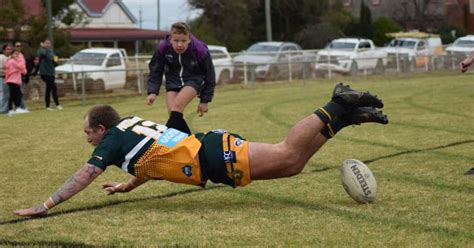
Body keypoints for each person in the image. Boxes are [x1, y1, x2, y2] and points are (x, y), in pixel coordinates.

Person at [14, 83, 388, 217]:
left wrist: (45, 205)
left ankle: (337, 103)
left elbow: (84, 175)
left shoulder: (111, 141)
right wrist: (126, 186)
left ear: (101, 128)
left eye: (88, 133)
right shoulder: (128, 127)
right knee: (293, 165)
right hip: (210, 151)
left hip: (211, 156)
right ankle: (347, 117)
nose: (88, 140)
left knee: (288, 152)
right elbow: (151, 160)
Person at [147, 22, 216, 134]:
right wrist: (153, 91)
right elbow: (156, 69)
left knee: (176, 106)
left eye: (183, 41)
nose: (180, 44)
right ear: (170, 39)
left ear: (189, 38)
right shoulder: (163, 47)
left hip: (193, 80)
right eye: (176, 41)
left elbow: (210, 75)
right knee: (173, 114)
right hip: (173, 81)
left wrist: (205, 100)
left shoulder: (200, 49)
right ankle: (190, 142)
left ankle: (163, 138)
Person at [38, 38, 62, 111]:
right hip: (45, 73)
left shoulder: (52, 51)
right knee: (54, 87)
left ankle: (47, 107)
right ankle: (57, 105)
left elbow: (55, 60)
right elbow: (44, 54)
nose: (47, 44)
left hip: (51, 72)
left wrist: (56, 61)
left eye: (49, 43)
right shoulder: (41, 50)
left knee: (48, 89)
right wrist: (44, 48)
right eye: (46, 43)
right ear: (43, 44)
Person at [4, 50, 28, 115]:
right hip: (12, 80)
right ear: (11, 55)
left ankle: (16, 108)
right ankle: (13, 109)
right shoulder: (12, 61)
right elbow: (21, 67)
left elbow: (24, 71)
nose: (17, 55)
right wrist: (22, 65)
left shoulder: (15, 61)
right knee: (14, 95)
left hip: (15, 81)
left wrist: (23, 68)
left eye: (18, 54)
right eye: (15, 54)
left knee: (17, 94)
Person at [14, 41, 28, 111]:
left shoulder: (21, 55)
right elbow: (16, 65)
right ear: (14, 47)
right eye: (17, 46)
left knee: (20, 92)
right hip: (15, 76)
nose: (18, 47)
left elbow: (23, 65)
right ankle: (19, 107)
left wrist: (25, 71)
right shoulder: (14, 55)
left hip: (21, 76)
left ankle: (22, 107)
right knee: (18, 93)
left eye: (20, 46)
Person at [0, 44, 12, 113]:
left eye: (10, 49)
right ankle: (2, 110)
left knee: (8, 95)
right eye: (7, 49)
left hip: (10, 78)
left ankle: (6, 109)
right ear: (4, 50)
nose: (9, 50)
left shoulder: (11, 57)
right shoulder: (1, 57)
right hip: (2, 78)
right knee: (3, 94)